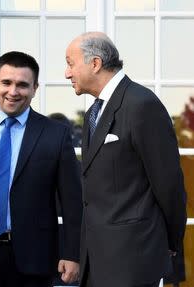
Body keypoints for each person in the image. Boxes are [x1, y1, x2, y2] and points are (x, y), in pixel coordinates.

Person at [65, 32, 187, 287]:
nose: (67, 73)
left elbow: (169, 185)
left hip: (132, 262)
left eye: (70, 63)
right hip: (95, 261)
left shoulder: (141, 104)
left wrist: (171, 243)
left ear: (95, 63)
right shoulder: (92, 114)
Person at [0, 51, 82, 287]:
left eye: (22, 85)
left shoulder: (56, 134)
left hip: (34, 260)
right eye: (6, 82)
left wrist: (72, 253)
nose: (13, 92)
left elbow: (72, 201)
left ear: (35, 88)